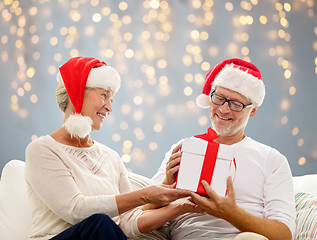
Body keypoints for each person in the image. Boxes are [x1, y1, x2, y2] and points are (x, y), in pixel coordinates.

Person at [25, 57, 202, 240]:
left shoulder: (111, 157)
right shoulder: (42, 149)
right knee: (100, 223)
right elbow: (76, 210)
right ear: (76, 92)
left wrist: (181, 207)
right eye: (104, 95)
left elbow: (127, 224)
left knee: (105, 226)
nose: (109, 107)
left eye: (112, 99)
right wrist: (145, 196)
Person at [151, 58, 296, 240]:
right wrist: (166, 183)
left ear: (252, 111)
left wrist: (230, 213)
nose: (224, 109)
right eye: (219, 99)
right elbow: (140, 213)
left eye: (236, 104)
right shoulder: (183, 148)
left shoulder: (271, 159)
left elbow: (284, 234)